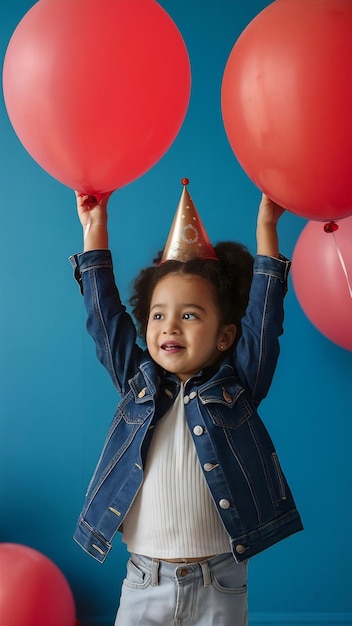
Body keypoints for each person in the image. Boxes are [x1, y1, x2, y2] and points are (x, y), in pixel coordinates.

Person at [70, 184, 303, 626]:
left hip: (219, 582)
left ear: (225, 336)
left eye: (190, 315)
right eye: (158, 315)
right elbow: (105, 320)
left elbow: (265, 319)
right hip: (144, 581)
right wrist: (94, 233)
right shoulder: (137, 384)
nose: (169, 326)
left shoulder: (238, 385)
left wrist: (267, 229)